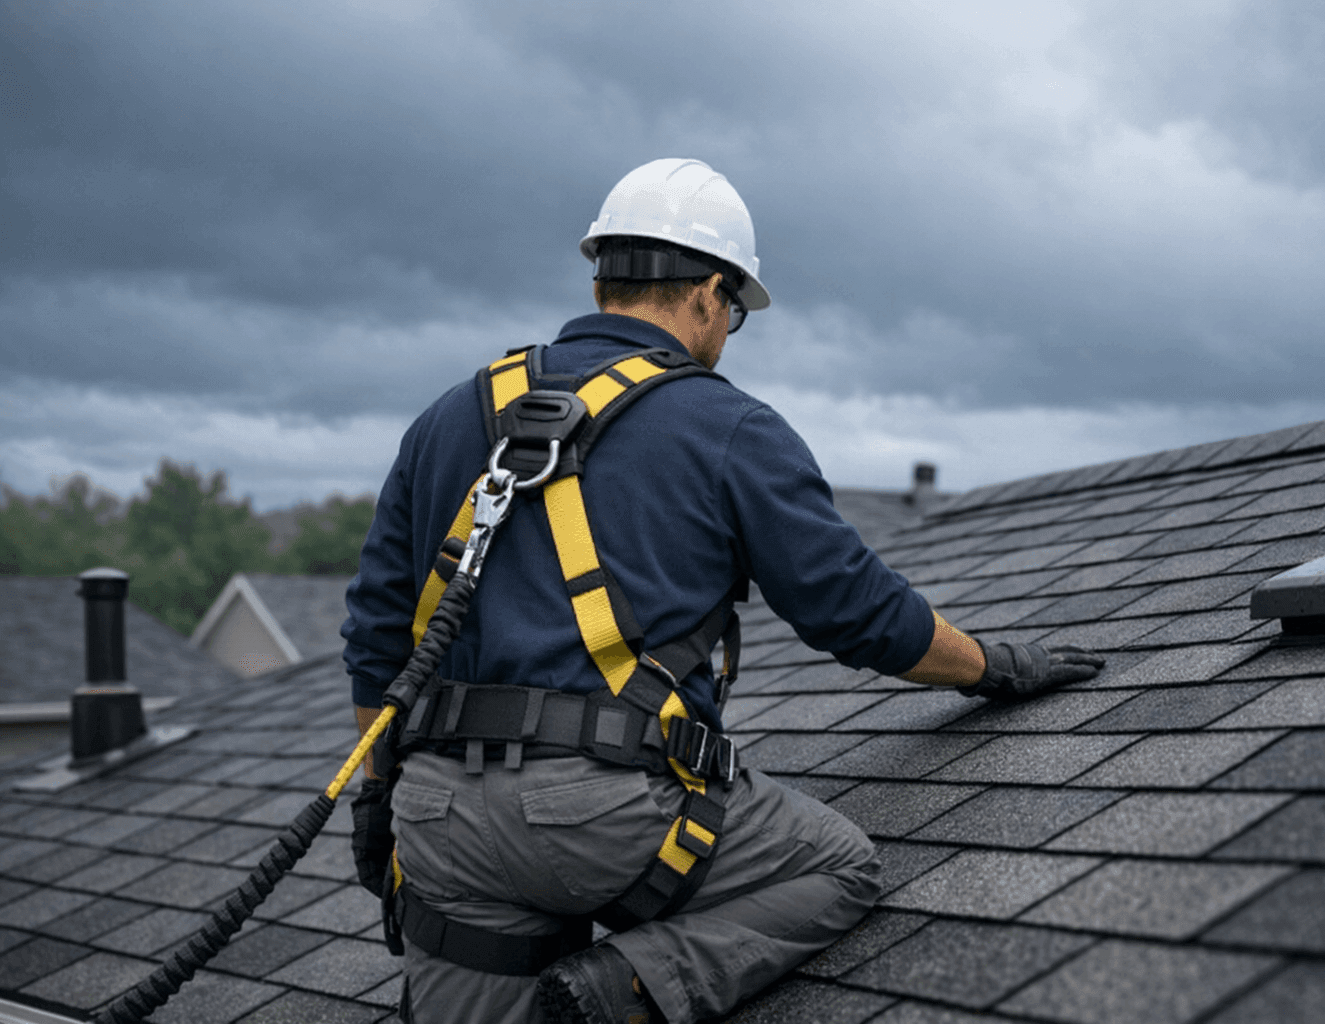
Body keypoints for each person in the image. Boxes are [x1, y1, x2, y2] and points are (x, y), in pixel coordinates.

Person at [341, 158, 1105, 1024]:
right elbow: (856, 613)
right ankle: (610, 993)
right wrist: (995, 667)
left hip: (439, 823)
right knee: (837, 868)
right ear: (709, 295)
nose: (727, 332)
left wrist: (379, 802)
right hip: (610, 819)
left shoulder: (445, 418)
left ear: (601, 277)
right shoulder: (726, 425)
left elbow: (376, 641)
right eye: (733, 313)